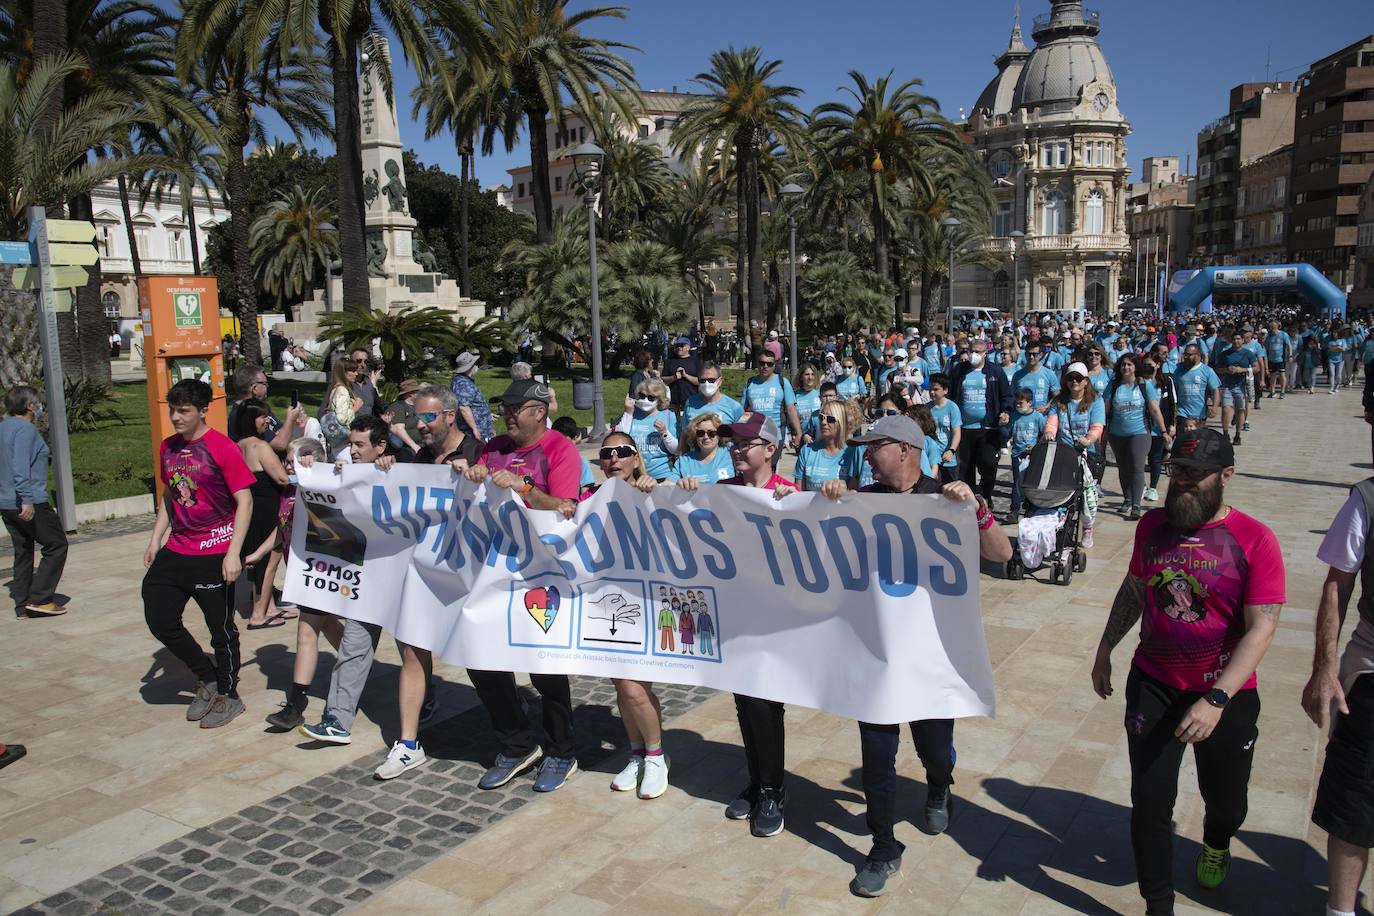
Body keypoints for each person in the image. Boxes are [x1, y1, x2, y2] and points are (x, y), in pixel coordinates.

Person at [809, 414, 1010, 898]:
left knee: (934, 751)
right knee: (877, 757)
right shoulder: (863, 498)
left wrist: (978, 510)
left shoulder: (946, 497)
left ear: (903, 450)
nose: (865, 455)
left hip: (930, 656)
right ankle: (883, 848)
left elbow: (1002, 554)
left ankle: (940, 783)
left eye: (872, 446)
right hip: (876, 655)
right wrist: (824, 504)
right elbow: (810, 549)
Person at [1091, 428, 1284, 915]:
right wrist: (1105, 647)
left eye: (1196, 476)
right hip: (1154, 684)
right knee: (1151, 803)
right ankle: (1159, 904)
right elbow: (1136, 589)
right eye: (1178, 472)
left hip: (1227, 695)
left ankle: (1217, 841)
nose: (1183, 483)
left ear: (1226, 477)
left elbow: (1261, 627)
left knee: (1227, 803)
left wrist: (1217, 699)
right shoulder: (1152, 527)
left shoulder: (1255, 539)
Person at [676, 412, 797, 838]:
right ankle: (757, 779)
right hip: (734, 616)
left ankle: (772, 789)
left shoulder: (790, 495)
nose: (736, 448)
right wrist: (685, 493)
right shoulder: (723, 491)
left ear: (770, 449)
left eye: (746, 443)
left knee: (767, 705)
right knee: (746, 704)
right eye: (734, 442)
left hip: (775, 621)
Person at [463, 378, 583, 792]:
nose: (508, 415)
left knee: (544, 667)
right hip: (493, 572)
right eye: (505, 409)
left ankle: (560, 750)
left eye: (516, 408)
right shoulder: (493, 448)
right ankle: (516, 744)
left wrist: (524, 487)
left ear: (539, 411)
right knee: (480, 657)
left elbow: (566, 509)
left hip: (540, 575)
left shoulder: (559, 449)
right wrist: (473, 473)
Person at [142, 379, 255, 729]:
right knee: (159, 617)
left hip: (215, 550)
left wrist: (233, 553)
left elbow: (245, 500)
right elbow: (171, 496)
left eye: (184, 411)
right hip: (178, 548)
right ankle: (206, 676)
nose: (176, 417)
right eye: (172, 410)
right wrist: (155, 538)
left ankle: (229, 693)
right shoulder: (168, 448)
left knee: (220, 629)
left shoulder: (221, 447)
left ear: (203, 410)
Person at [1303, 475, 1374, 916]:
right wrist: (1324, 668)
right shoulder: (1368, 497)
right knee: (1355, 798)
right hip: (1372, 670)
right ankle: (1341, 911)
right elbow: (1337, 583)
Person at [583, 434, 668, 798]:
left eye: (622, 453)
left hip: (646, 603)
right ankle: (637, 754)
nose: (614, 458)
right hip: (607, 602)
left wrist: (656, 494)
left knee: (635, 687)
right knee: (621, 685)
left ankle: (656, 756)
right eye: (607, 453)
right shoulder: (591, 497)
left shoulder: (653, 492)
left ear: (636, 459)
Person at [255, 438, 344, 730]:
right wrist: (257, 554)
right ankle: (357, 663)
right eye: (288, 461)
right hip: (299, 574)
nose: (287, 466)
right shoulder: (287, 493)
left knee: (306, 633)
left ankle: (295, 703)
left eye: (294, 461)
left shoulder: (321, 488)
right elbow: (283, 527)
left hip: (319, 573)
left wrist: (319, 474)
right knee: (327, 624)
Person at [0, 386, 68, 618]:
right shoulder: (25, 430)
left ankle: (22, 606)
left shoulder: (3, 428)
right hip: (29, 501)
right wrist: (26, 501)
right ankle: (40, 599)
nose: (39, 406)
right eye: (36, 402)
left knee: (23, 550)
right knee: (57, 545)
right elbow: (20, 467)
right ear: (29, 406)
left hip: (6, 502)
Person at [231, 398, 292, 628]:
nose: (267, 420)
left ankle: (269, 607)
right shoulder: (260, 446)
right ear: (251, 420)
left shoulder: (238, 445)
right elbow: (281, 478)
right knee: (270, 561)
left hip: (250, 508)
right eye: (262, 416)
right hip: (268, 507)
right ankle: (259, 615)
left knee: (262, 561)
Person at [1043, 361, 1105, 547]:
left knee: (1087, 494)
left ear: (1086, 381)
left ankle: (1087, 527)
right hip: (1063, 454)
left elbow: (1097, 425)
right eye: (1070, 378)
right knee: (1063, 491)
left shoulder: (1096, 401)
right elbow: (1052, 422)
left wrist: (1089, 438)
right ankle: (1060, 522)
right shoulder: (1059, 402)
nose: (1074, 382)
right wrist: (1049, 433)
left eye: (1078, 378)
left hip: (1088, 454)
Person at [949, 338, 1012, 510]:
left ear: (985, 353)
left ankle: (985, 495)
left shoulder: (995, 372)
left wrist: (1005, 412)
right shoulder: (959, 371)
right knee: (965, 467)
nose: (973, 355)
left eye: (977, 351)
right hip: (963, 428)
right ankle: (969, 501)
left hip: (988, 428)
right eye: (971, 351)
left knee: (989, 464)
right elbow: (951, 395)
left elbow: (1006, 396)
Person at [1105, 354, 1168, 520]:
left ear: (1136, 367)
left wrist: (1163, 431)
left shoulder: (1144, 385)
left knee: (1137, 465)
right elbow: (1105, 409)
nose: (1126, 368)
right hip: (1116, 433)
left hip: (1140, 432)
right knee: (1123, 467)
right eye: (1123, 364)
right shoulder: (1113, 386)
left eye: (1129, 365)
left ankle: (1136, 504)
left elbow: (1155, 410)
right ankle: (1126, 499)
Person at [740, 349, 800, 466]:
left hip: (776, 434)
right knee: (754, 466)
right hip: (754, 434)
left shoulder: (782, 382)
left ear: (774, 365)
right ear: (757, 364)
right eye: (762, 363)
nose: (765, 366)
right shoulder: (750, 383)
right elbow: (743, 410)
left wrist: (798, 432)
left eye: (769, 364)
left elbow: (791, 409)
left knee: (770, 466)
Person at [227, 365, 302, 454]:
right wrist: (290, 419)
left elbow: (281, 430)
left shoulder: (260, 408)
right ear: (255, 388)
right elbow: (281, 443)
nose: (268, 387)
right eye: (265, 384)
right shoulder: (243, 415)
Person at [616, 377, 678, 481]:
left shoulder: (668, 416)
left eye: (651, 398)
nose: (645, 400)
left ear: (659, 399)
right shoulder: (632, 413)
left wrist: (664, 432)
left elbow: (676, 449)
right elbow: (619, 440)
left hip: (661, 474)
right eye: (642, 396)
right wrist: (628, 413)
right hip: (634, 475)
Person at [793, 401, 860, 492]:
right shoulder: (807, 450)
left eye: (830, 419)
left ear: (842, 422)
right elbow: (798, 492)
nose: (823, 422)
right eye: (821, 417)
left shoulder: (853, 453)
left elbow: (854, 494)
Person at [1006, 388, 1046, 524]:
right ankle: (1014, 510)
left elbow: (1045, 434)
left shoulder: (1037, 417)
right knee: (1017, 482)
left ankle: (1031, 508)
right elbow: (1009, 432)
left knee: (1032, 483)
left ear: (1029, 403)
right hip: (1017, 454)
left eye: (1021, 403)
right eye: (1016, 403)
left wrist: (1036, 447)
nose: (1018, 406)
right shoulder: (1015, 416)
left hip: (1032, 455)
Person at [667, 412, 735, 485]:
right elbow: (669, 483)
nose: (706, 437)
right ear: (695, 436)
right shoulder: (684, 461)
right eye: (700, 433)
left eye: (711, 433)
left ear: (719, 435)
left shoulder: (731, 454)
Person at [1215, 331, 1258, 446]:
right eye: (1234, 339)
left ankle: (1238, 434)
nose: (1236, 341)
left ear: (1243, 340)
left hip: (1241, 385)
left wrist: (1242, 370)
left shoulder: (1248, 354)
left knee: (1240, 410)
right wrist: (1227, 370)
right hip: (1227, 385)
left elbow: (1256, 368)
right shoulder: (1225, 354)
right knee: (1225, 409)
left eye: (1238, 339)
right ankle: (1225, 433)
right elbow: (1217, 369)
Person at [1172, 344, 1221, 431]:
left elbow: (1215, 390)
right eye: (1185, 354)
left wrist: (1215, 407)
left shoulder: (1207, 370)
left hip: (1199, 414)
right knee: (1183, 439)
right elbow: (1174, 389)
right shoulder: (1179, 370)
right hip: (1182, 413)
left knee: (1197, 440)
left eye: (1189, 355)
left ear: (1198, 355)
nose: (1186, 357)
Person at [449, 352, 494, 441]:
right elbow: (464, 407)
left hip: (483, 428)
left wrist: (489, 426)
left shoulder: (465, 380)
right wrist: (475, 429)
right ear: (470, 367)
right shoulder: (462, 384)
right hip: (475, 431)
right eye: (474, 364)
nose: (475, 366)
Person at [926, 374, 961, 483]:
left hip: (948, 459)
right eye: (930, 389)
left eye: (936, 389)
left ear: (945, 390)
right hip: (932, 458)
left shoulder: (952, 407)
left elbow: (957, 432)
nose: (932, 392)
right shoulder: (927, 407)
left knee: (950, 492)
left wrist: (951, 450)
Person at [1012, 343, 1061, 413]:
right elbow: (1012, 397)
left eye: (1034, 354)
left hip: (1042, 417)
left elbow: (1057, 395)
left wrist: (1047, 407)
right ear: (1025, 355)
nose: (1031, 357)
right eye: (1029, 354)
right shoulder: (1017, 375)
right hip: (1022, 417)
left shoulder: (1049, 373)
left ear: (1040, 355)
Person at [386, 378, 424, 461]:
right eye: (418, 391)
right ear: (411, 394)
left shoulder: (418, 407)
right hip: (408, 450)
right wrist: (415, 447)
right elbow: (398, 429)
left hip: (423, 447)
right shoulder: (397, 406)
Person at [662, 336, 700, 410]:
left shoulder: (695, 362)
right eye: (677, 346)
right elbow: (662, 380)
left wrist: (686, 376)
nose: (679, 348)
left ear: (688, 347)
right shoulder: (669, 361)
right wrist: (674, 377)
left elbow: (701, 381)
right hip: (672, 402)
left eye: (682, 345)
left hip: (692, 402)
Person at [792, 364, 822, 437]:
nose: (810, 377)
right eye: (807, 374)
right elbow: (791, 417)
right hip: (801, 437)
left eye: (812, 374)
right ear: (801, 377)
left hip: (819, 436)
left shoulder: (820, 393)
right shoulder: (794, 395)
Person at [349, 347, 378, 416]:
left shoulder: (369, 383)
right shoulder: (344, 383)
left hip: (369, 424)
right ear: (350, 362)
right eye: (359, 361)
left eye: (365, 361)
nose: (363, 365)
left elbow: (377, 405)